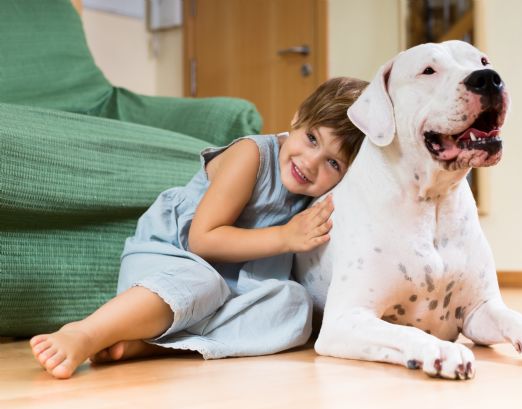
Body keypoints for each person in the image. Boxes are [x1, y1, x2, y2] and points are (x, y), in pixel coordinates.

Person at [30, 77, 369, 379]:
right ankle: (86, 333)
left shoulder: (314, 195)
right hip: (169, 262)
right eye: (312, 139)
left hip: (228, 287)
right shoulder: (252, 155)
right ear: (296, 119)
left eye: (333, 162)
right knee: (203, 281)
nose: (310, 163)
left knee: (294, 306)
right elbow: (202, 240)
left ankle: (155, 347)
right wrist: (285, 236)